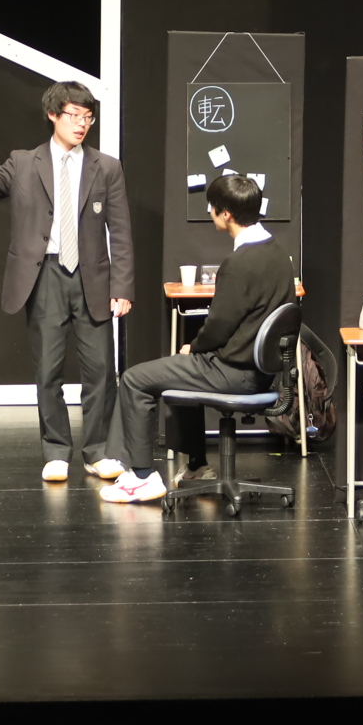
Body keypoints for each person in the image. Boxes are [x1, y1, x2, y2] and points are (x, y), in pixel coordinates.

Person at [0, 80, 136, 483]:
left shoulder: (107, 167)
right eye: (74, 116)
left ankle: (99, 452)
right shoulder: (23, 162)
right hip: (44, 275)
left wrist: (122, 287)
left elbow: (120, 232)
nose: (81, 124)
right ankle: (56, 452)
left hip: (93, 279)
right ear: (53, 115)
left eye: (88, 117)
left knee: (102, 372)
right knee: (48, 370)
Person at [99, 172, 295, 504]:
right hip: (262, 372)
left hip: (235, 372)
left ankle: (142, 477)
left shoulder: (238, 263)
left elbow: (219, 326)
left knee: (134, 379)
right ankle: (195, 466)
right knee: (179, 368)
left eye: (212, 207)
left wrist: (196, 346)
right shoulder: (278, 253)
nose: (209, 212)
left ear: (226, 214)